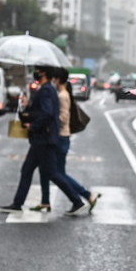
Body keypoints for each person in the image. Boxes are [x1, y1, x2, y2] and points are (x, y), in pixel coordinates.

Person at [0, 67, 88, 217]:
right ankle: (17, 204)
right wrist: (26, 106)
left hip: (43, 140)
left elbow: (47, 113)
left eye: (38, 71)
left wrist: (33, 125)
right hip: (42, 140)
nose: (36, 73)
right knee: (28, 170)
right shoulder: (46, 89)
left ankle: (77, 201)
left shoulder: (46, 90)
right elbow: (40, 111)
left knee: (52, 173)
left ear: (44, 73)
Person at [36, 66, 99, 213]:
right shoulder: (62, 94)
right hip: (61, 138)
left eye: (53, 79)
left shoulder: (62, 96)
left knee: (57, 174)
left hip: (60, 138)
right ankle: (46, 201)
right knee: (50, 171)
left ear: (57, 79)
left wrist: (49, 120)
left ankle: (84, 195)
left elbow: (63, 118)